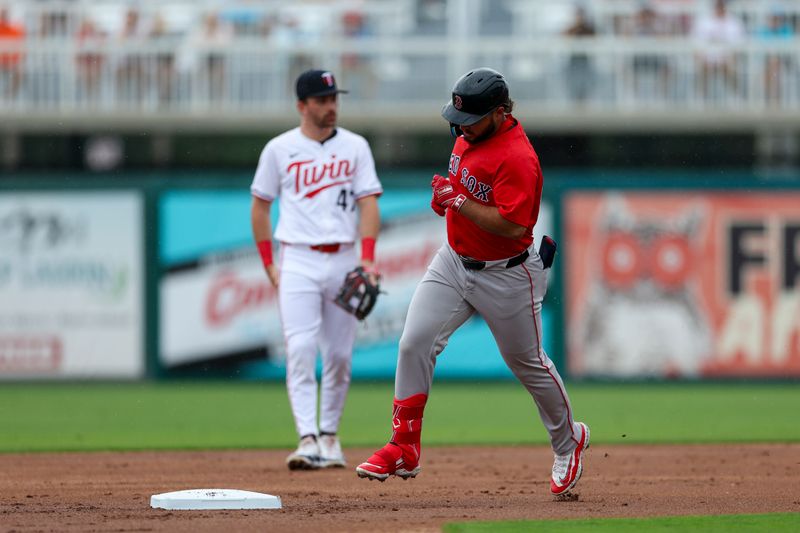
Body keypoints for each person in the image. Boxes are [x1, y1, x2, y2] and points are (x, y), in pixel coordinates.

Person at [355, 67, 589, 497]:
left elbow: (511, 225)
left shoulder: (519, 157)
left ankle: (568, 441)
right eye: (456, 118)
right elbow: (461, 190)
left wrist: (457, 200)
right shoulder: (469, 134)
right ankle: (404, 445)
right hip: (454, 262)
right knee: (413, 343)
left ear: (500, 113)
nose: (458, 127)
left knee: (529, 364)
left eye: (469, 119)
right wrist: (447, 197)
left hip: (507, 271)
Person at [250, 69, 382, 470]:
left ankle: (330, 437)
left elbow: (369, 203)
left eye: (334, 99)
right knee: (302, 349)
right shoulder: (279, 149)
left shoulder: (356, 146)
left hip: (344, 258)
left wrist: (369, 258)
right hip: (299, 259)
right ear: (302, 106)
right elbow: (260, 206)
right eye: (322, 100)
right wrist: (270, 264)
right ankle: (307, 438)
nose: (331, 107)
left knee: (340, 355)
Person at [691, 0, 745, 100]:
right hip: (707, 59)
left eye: (722, 5)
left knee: (730, 68)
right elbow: (696, 43)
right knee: (702, 68)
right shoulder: (703, 21)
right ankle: (700, 98)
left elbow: (738, 46)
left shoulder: (735, 22)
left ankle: (735, 98)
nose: (720, 7)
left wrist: (729, 58)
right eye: (718, 5)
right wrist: (703, 58)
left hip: (727, 59)